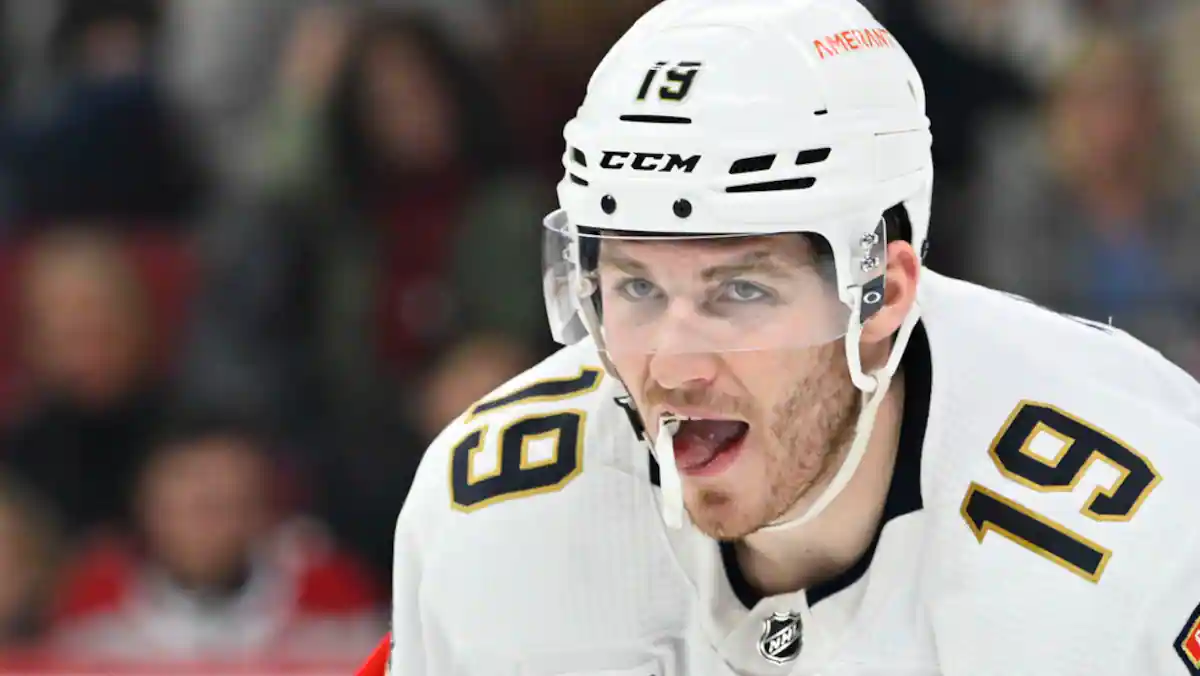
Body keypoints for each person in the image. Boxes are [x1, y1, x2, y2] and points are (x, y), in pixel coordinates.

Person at [357, 0, 1200, 674]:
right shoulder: (492, 520)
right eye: (637, 286)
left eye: (740, 290)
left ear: (882, 296)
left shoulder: (1138, 542)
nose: (672, 366)